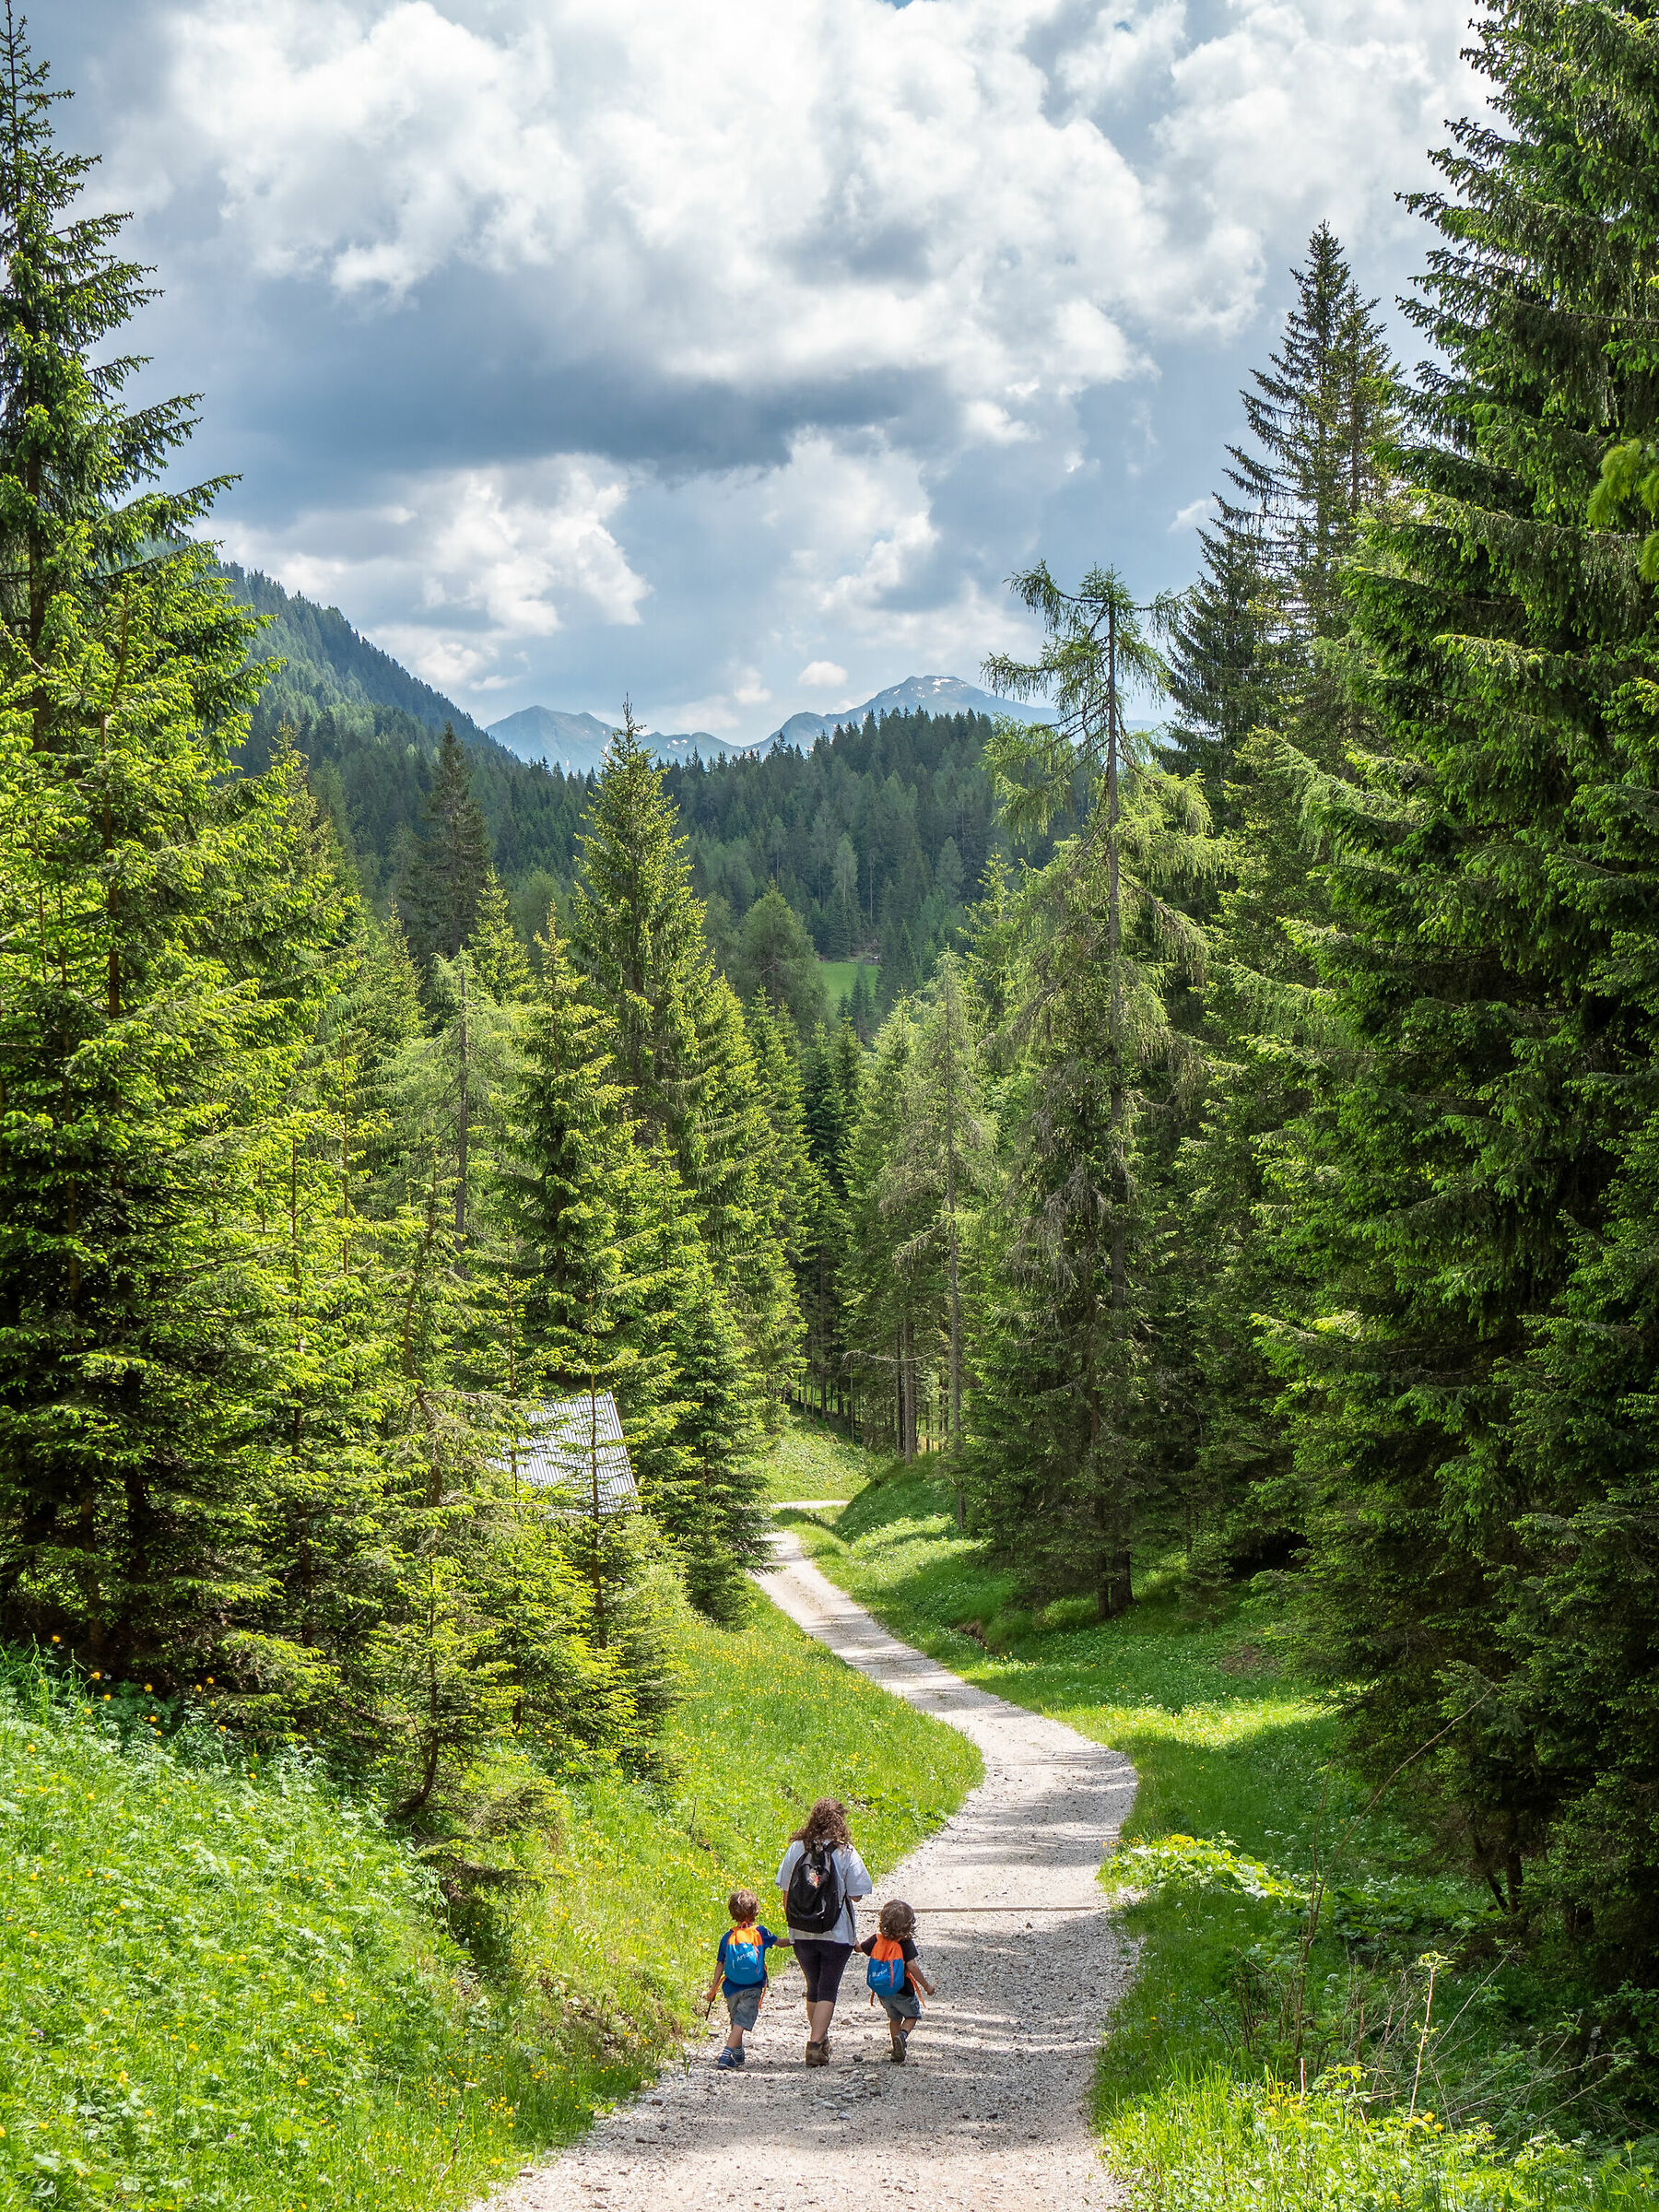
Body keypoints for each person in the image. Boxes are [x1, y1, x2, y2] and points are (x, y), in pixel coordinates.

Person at [775, 1796, 872, 2067]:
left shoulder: (796, 1848)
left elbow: (786, 1891)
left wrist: (795, 1924)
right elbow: (857, 1894)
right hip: (836, 1933)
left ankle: (820, 2036)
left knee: (813, 1986)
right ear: (840, 1821)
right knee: (828, 1987)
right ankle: (815, 2044)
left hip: (801, 1931)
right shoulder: (845, 1852)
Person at [703, 1888, 791, 2070]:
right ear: (755, 1911)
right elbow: (781, 1943)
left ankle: (738, 2053)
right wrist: (798, 1939)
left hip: (731, 1986)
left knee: (736, 2019)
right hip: (753, 1985)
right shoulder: (760, 1932)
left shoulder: (728, 1936)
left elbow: (720, 1963)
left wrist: (713, 1989)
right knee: (741, 2021)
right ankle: (726, 2054)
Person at [858, 1900, 934, 2064]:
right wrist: (927, 1986)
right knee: (912, 2016)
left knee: (894, 2018)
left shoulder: (876, 1939)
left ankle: (895, 2048)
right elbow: (912, 1966)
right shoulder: (905, 1943)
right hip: (903, 1990)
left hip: (883, 1992)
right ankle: (902, 2036)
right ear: (909, 1926)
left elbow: (859, 1948)